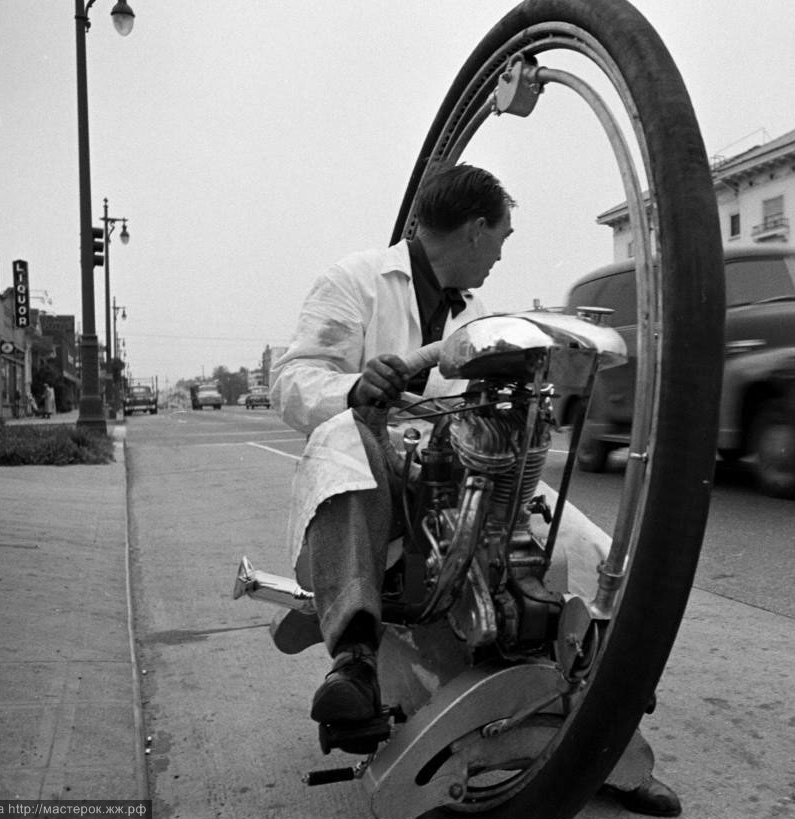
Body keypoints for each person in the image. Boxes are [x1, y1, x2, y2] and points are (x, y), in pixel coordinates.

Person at [270, 164, 680, 816]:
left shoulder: (480, 317)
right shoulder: (357, 282)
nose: (500, 253)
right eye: (501, 237)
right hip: (378, 489)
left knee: (597, 552)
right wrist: (353, 389)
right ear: (474, 227)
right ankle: (354, 660)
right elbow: (291, 380)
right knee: (344, 438)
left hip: (462, 492)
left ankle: (610, 710)